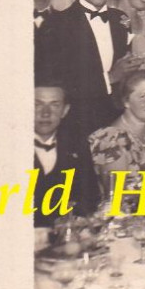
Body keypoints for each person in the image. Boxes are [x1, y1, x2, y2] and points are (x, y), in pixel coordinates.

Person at [35, 0, 141, 138]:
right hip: (77, 125)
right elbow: (56, 84)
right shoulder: (56, 24)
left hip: (117, 123)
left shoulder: (120, 20)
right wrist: (109, 78)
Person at [86, 69, 145, 200]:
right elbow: (116, 198)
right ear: (126, 101)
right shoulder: (111, 140)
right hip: (124, 218)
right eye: (143, 96)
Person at [32, 83, 100, 222]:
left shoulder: (76, 147)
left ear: (65, 110)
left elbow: (90, 198)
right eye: (37, 104)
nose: (46, 113)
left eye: (54, 105)